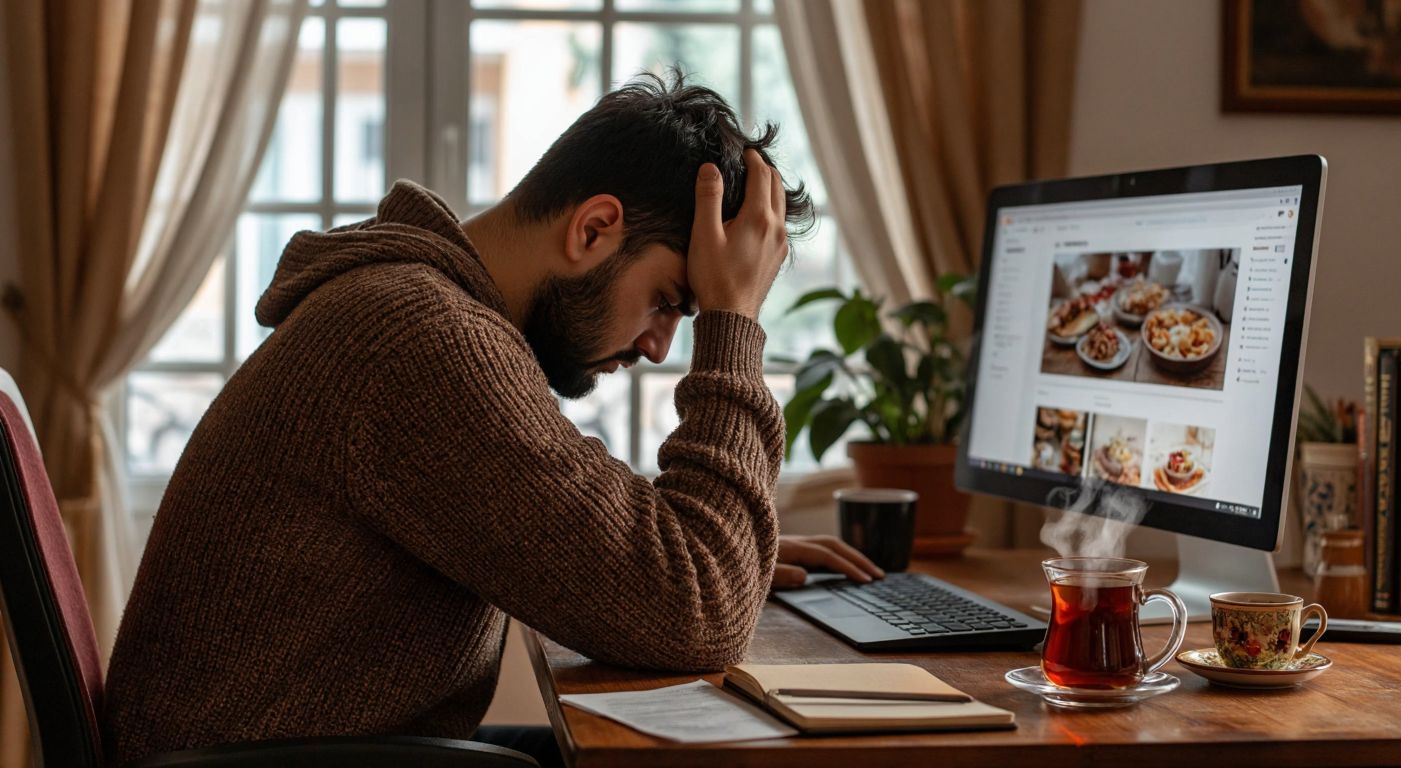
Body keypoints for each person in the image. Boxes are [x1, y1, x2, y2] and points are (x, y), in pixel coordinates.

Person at [103, 73, 882, 768]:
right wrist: (734, 326)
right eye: (672, 301)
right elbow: (695, 615)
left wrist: (724, 548)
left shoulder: (420, 313)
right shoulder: (423, 338)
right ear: (593, 229)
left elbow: (608, 537)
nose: (656, 345)